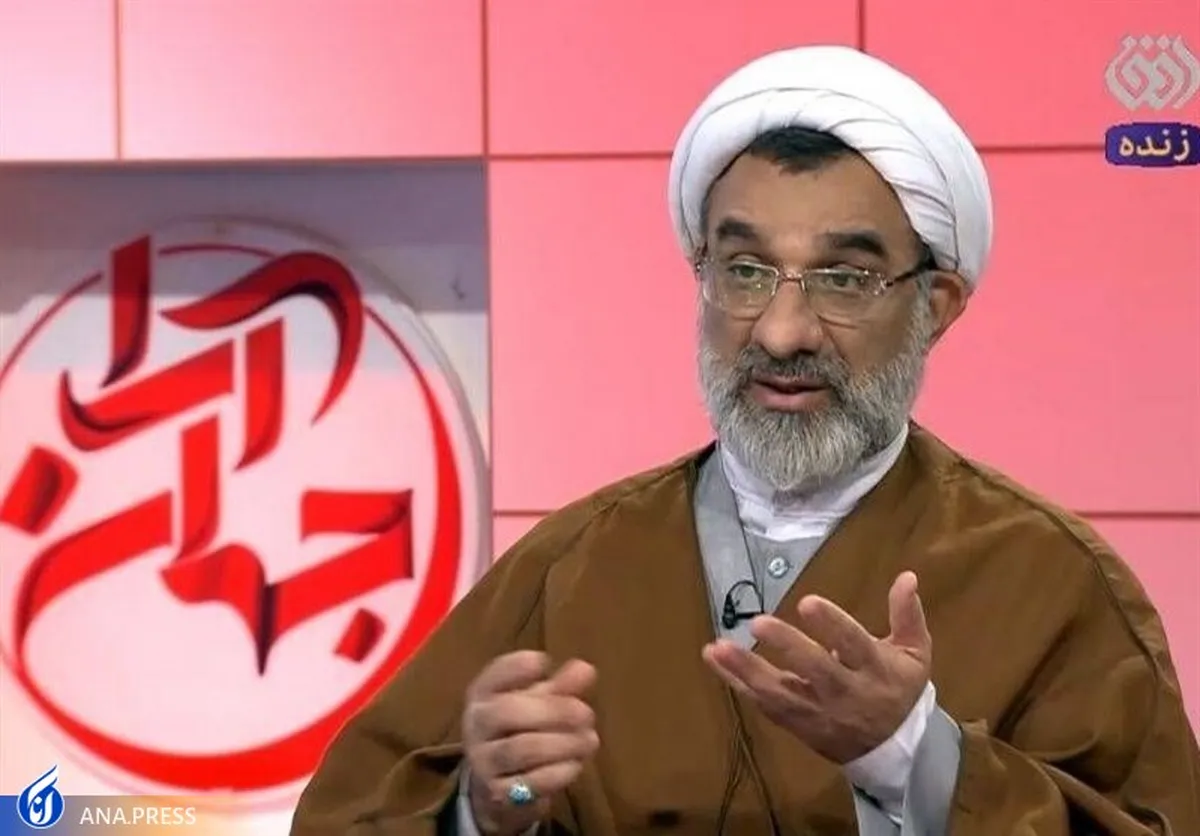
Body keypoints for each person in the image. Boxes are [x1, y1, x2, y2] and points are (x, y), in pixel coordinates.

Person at [290, 45, 1200, 836]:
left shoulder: (1052, 582)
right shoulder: (574, 566)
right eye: (746, 270)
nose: (781, 331)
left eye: (844, 279)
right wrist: (485, 810)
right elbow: (356, 811)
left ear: (937, 305)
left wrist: (913, 757)